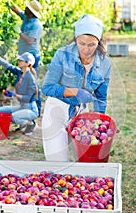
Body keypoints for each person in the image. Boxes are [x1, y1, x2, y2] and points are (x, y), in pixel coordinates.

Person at [41, 14, 112, 161]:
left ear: (99, 42)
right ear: (76, 39)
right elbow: (47, 88)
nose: (86, 49)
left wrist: (99, 123)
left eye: (91, 44)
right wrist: (75, 91)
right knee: (58, 161)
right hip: (58, 108)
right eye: (82, 43)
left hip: (81, 112)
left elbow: (100, 97)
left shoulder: (104, 64)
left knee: (85, 159)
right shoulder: (62, 55)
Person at [0, 46, 39, 135]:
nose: (18, 61)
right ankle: (24, 120)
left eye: (21, 60)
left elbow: (28, 97)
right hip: (22, 107)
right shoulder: (19, 72)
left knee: (12, 117)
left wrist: (14, 95)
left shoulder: (31, 79)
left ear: (27, 63)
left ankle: (30, 123)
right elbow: (7, 65)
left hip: (30, 109)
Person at [7, 0, 43, 116]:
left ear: (32, 12)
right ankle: (25, 108)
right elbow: (18, 11)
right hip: (24, 55)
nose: (25, 9)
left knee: (32, 83)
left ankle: (36, 109)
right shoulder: (26, 17)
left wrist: (19, 33)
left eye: (27, 8)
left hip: (32, 57)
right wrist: (9, 2)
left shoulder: (36, 25)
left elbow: (30, 41)